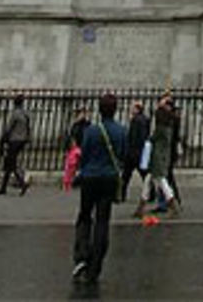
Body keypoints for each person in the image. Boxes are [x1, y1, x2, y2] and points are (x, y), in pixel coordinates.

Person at [71, 92, 128, 288]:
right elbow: (123, 155)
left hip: (90, 177)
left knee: (85, 216)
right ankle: (95, 266)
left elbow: (84, 155)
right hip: (109, 178)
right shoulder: (121, 131)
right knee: (103, 221)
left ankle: (81, 256)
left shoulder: (92, 131)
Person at [147, 96, 178, 214]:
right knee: (151, 178)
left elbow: (155, 136)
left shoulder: (164, 125)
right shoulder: (169, 122)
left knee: (161, 178)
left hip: (161, 154)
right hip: (163, 153)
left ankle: (169, 202)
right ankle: (146, 203)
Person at [0, 94, 31, 195]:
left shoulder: (15, 114)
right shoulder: (25, 114)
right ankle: (3, 187)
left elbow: (9, 128)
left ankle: (21, 182)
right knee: (9, 162)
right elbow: (28, 128)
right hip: (22, 140)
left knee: (11, 163)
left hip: (14, 140)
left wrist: (3, 139)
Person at [122, 100, 150, 203]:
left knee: (126, 176)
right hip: (139, 152)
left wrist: (131, 149)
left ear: (137, 109)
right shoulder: (145, 119)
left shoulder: (136, 120)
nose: (131, 109)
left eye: (133, 108)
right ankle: (151, 193)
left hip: (133, 152)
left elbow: (135, 137)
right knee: (144, 174)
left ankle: (121, 195)